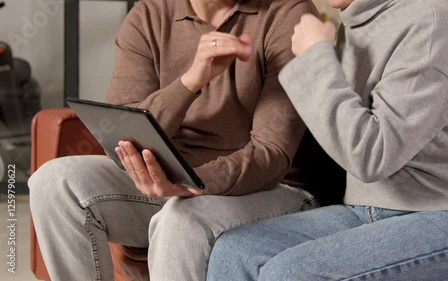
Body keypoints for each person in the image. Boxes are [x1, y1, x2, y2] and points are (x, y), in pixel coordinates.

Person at [28, 0, 324, 280]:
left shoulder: (287, 13)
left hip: (273, 191)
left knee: (182, 219)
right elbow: (120, 133)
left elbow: (271, 154)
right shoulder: (149, 15)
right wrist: (191, 81)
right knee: (55, 182)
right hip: (171, 181)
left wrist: (192, 182)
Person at [206, 0, 448, 280]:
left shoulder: (429, 24)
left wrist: (315, 58)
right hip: (366, 211)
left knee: (292, 273)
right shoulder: (353, 23)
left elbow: (373, 156)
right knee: (235, 251)